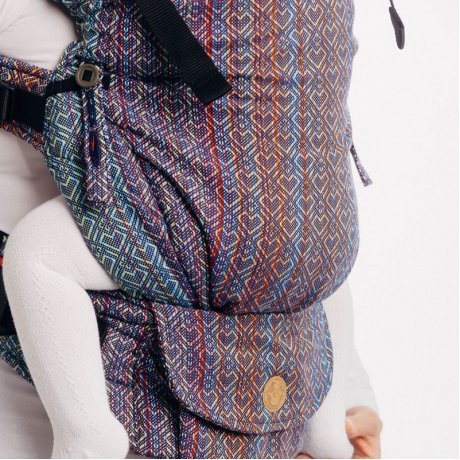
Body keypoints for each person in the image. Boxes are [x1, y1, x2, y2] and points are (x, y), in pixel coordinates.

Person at [0, 0, 382, 458]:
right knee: (296, 264)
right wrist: (353, 393)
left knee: (37, 255)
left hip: (188, 225)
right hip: (307, 223)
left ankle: (87, 434)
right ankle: (328, 435)